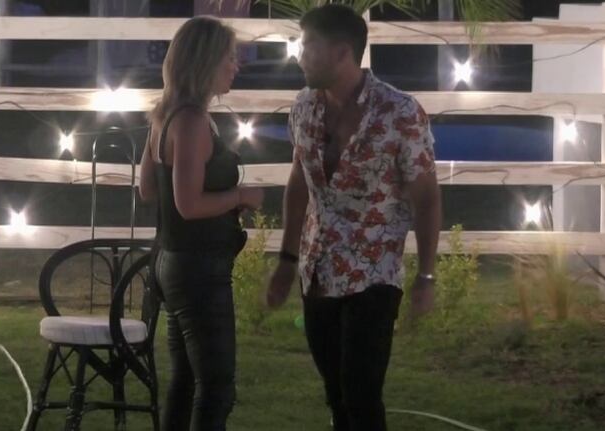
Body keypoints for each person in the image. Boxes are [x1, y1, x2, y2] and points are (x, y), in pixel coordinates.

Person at [266, 5, 442, 431]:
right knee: (336, 394)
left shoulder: (399, 112)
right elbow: (299, 182)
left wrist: (426, 275)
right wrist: (287, 261)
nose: (300, 56)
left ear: (342, 52)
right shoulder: (304, 107)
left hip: (374, 273)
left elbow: (426, 197)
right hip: (318, 268)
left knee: (361, 393)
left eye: (309, 46)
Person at [138, 16, 264, 431]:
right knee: (216, 387)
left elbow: (148, 189)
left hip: (172, 261)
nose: (236, 66)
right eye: (230, 57)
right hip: (197, 268)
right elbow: (189, 204)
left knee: (186, 380)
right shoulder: (191, 121)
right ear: (205, 61)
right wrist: (240, 197)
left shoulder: (165, 115)